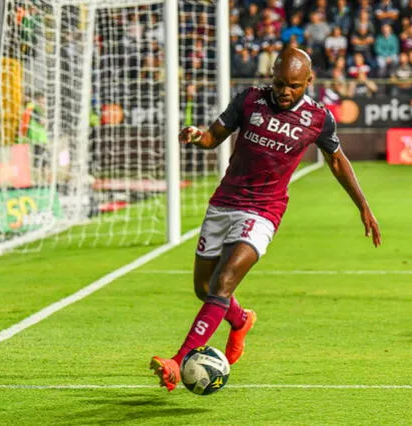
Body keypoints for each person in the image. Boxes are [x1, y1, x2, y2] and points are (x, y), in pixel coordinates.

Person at [150, 48, 381, 391]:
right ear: (270, 77)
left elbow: (335, 160)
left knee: (223, 283)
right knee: (204, 289)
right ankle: (240, 321)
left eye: (294, 86)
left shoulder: (318, 118)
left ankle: (178, 360)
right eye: (279, 83)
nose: (285, 91)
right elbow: (214, 137)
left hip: (263, 211)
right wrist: (198, 135)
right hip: (224, 203)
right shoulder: (249, 101)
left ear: (309, 82)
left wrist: (362, 203)